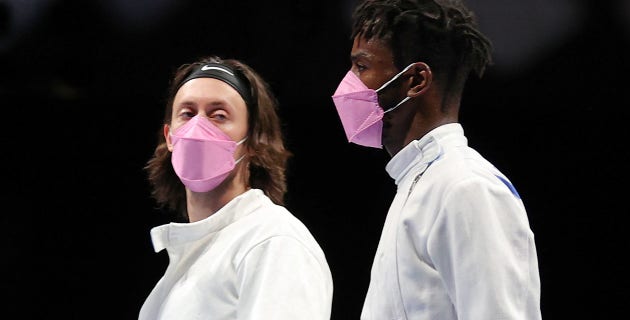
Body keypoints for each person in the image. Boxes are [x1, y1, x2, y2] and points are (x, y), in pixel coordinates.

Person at [330, 0, 542, 319]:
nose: (349, 82)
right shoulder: (420, 184)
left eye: (362, 67)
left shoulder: (466, 188)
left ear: (416, 80)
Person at [139, 55, 333, 319]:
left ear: (253, 140)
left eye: (219, 115)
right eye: (187, 113)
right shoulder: (192, 263)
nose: (198, 126)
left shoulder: (273, 243)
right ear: (169, 137)